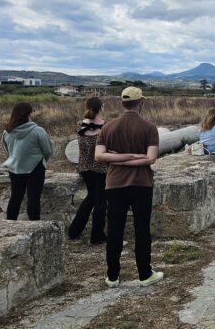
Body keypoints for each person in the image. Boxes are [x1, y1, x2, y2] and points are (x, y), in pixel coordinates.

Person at [95, 87, 163, 288]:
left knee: (115, 229)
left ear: (122, 103)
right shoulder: (149, 128)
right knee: (142, 230)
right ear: (141, 103)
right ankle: (144, 274)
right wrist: (134, 157)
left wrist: (118, 160)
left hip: (114, 183)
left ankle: (113, 276)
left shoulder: (107, 128)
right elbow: (151, 159)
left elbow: (99, 156)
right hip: (141, 184)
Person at [2, 102, 53, 221]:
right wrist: (42, 160)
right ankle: (34, 226)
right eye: (33, 110)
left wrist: (15, 158)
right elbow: (48, 150)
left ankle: (10, 224)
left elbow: (8, 150)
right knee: (34, 199)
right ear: (29, 113)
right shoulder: (38, 130)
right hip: (35, 168)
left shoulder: (7, 131)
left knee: (15, 197)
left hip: (14, 167)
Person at [68, 97, 109, 244]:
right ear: (100, 109)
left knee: (91, 197)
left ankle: (74, 230)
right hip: (101, 167)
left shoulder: (80, 125)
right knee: (100, 202)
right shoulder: (105, 127)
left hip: (85, 167)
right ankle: (97, 235)